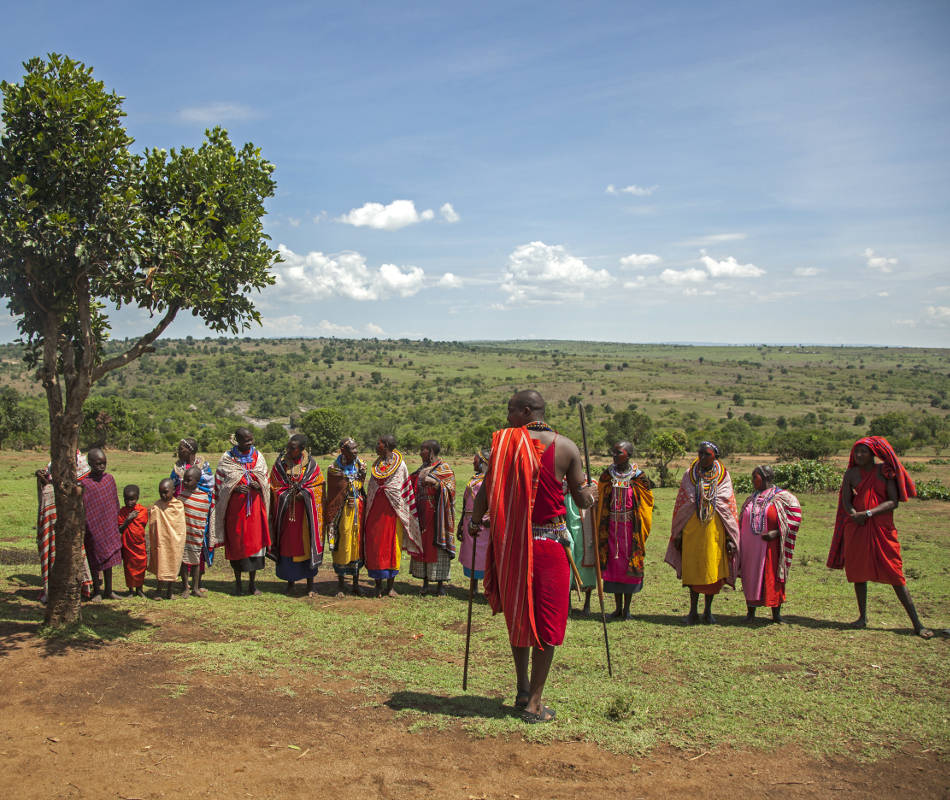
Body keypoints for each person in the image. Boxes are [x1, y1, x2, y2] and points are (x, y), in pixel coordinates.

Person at [471, 390, 596, 724]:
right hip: (550, 546)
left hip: (513, 545)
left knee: (521, 618)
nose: (508, 417)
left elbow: (486, 489)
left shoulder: (503, 446)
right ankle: (534, 702)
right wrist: (591, 493)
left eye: (511, 410)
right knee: (548, 623)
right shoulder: (567, 447)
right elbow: (581, 500)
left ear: (526, 411)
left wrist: (472, 520)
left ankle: (524, 689)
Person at [827, 436, 933, 639]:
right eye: (856, 452)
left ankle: (917, 623)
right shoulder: (851, 473)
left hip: (881, 527)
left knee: (895, 573)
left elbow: (893, 502)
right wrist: (853, 515)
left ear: (873, 454)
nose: (859, 455)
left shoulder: (883, 471)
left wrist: (867, 513)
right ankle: (862, 617)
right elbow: (846, 500)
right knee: (858, 571)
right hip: (857, 527)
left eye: (863, 452)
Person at [665, 442, 739, 625]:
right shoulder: (689, 475)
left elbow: (728, 507)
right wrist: (679, 533)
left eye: (706, 454)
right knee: (693, 569)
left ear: (715, 456)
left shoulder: (723, 477)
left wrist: (730, 538)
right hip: (692, 531)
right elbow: (682, 505)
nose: (702, 457)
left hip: (715, 530)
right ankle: (692, 611)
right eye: (700, 453)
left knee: (712, 569)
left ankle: (708, 611)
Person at [593, 441, 655, 620]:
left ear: (628, 455)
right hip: (611, 527)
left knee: (628, 566)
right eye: (613, 452)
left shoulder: (639, 477)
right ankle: (617, 608)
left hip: (631, 529)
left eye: (618, 452)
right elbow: (601, 497)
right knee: (613, 565)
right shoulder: (607, 476)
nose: (614, 455)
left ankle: (627, 609)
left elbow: (647, 502)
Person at [737, 465, 802, 624]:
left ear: (765, 477)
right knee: (750, 576)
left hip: (771, 547)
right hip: (750, 547)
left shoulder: (783, 497)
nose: (752, 480)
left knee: (772, 575)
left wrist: (778, 533)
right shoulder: (751, 498)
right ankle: (750, 613)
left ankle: (776, 614)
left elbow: (795, 517)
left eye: (755, 477)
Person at [212, 428, 271, 596]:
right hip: (235, 511)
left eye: (251, 440)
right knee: (237, 544)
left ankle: (253, 584)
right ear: (237, 440)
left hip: (255, 510)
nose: (250, 443)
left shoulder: (258, 457)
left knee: (255, 545)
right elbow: (220, 484)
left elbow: (265, 480)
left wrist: (258, 485)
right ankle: (238, 583)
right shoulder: (227, 459)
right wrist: (235, 488)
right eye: (246, 440)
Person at [363, 435, 422, 598]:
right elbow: (373, 487)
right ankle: (377, 586)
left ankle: (390, 587)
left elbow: (400, 487)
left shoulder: (400, 465)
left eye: (379, 444)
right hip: (375, 511)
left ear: (387, 446)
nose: (376, 446)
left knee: (391, 546)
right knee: (375, 546)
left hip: (392, 512)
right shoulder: (376, 465)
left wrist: (387, 491)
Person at [269, 433, 324, 597]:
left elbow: (318, 486)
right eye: (288, 447)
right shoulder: (280, 464)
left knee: (307, 546)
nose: (288, 450)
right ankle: (290, 583)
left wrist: (305, 495)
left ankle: (310, 585)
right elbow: (274, 485)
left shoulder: (311, 466)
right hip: (286, 515)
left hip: (305, 516)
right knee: (288, 546)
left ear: (301, 449)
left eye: (292, 448)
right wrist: (286, 495)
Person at [35, 451, 92, 603]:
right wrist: (43, 480)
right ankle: (54, 588)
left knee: (72, 548)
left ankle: (77, 587)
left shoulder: (79, 462)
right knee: (54, 548)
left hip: (69, 514)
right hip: (52, 512)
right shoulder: (54, 464)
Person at [409, 440, 456, 596]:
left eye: (422, 450)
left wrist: (436, 484)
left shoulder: (444, 469)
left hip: (438, 516)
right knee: (424, 546)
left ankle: (441, 584)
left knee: (437, 547)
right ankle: (425, 582)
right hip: (422, 514)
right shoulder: (421, 469)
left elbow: (451, 489)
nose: (420, 453)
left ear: (430, 451)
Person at [324, 438, 366, 597]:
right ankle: (341, 584)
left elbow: (360, 483)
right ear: (343, 450)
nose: (355, 452)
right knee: (343, 542)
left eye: (356, 448)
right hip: (341, 512)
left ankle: (355, 583)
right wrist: (348, 491)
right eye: (352, 449)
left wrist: (352, 490)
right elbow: (335, 491)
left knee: (356, 543)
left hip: (357, 508)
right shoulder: (333, 468)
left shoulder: (361, 465)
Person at [81, 448, 122, 601]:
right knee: (94, 559)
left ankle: (109, 590)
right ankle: (97, 590)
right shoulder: (85, 483)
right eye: (98, 463)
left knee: (109, 558)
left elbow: (114, 501)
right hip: (92, 527)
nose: (101, 466)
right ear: (90, 464)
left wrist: (116, 521)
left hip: (109, 524)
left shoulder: (109, 479)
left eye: (104, 463)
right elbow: (84, 506)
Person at [457, 448, 491, 594]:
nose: (473, 462)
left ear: (483, 461)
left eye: (475, 460)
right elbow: (465, 502)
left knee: (484, 555)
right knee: (471, 553)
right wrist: (460, 524)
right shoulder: (474, 479)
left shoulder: (491, 480)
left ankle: (488, 588)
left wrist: (487, 517)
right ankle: (473, 586)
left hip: (484, 523)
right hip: (468, 520)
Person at [147, 478, 186, 600]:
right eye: (160, 492)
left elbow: (181, 525)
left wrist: (177, 538)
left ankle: (170, 591)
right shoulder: (157, 505)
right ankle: (159, 591)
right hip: (161, 541)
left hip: (175, 542)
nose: (163, 495)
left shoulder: (178, 506)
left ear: (173, 490)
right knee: (161, 564)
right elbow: (153, 523)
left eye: (166, 492)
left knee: (173, 564)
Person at [180, 466, 214, 598]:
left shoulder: (204, 497)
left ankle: (195, 588)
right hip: (184, 534)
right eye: (184, 480)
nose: (185, 483)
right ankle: (185, 588)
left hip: (197, 534)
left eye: (188, 480)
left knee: (196, 562)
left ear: (197, 480)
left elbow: (205, 516)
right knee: (184, 562)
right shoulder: (181, 496)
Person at [118, 484, 149, 597]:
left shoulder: (142, 511)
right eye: (126, 499)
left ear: (137, 498)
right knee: (129, 567)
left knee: (141, 566)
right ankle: (131, 590)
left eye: (132, 499)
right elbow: (120, 529)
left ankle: (139, 589)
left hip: (139, 544)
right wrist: (128, 520)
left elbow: (143, 525)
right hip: (127, 545)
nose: (129, 502)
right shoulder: (122, 512)